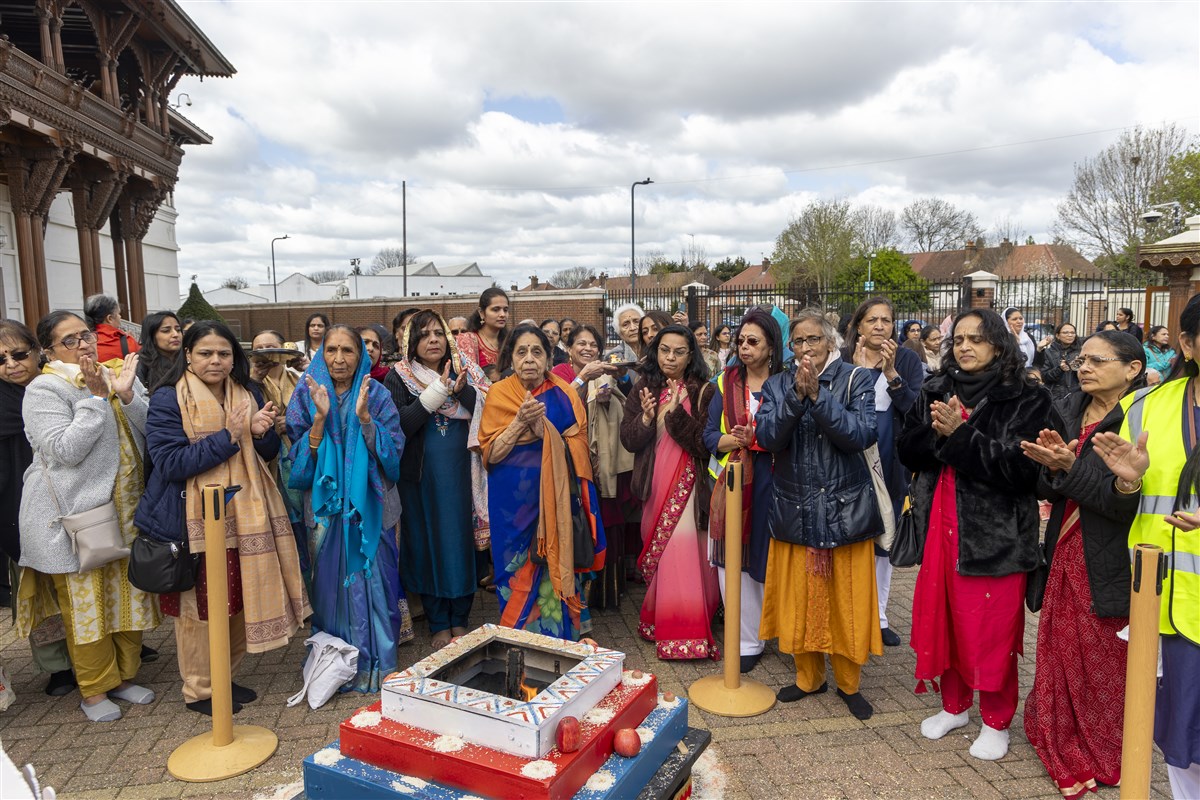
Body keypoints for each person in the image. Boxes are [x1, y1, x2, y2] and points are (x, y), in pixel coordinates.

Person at [899, 308, 1052, 761]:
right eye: (959, 339)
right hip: (940, 521)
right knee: (945, 617)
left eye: (977, 339)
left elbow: (1027, 471)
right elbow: (908, 451)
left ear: (1000, 346)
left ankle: (996, 720)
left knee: (991, 629)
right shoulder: (935, 386)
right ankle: (955, 706)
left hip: (996, 533)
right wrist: (935, 432)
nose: (965, 347)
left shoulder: (1027, 398)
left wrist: (962, 436)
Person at [138, 321, 309, 715]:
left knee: (238, 600)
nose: (215, 361)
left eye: (224, 353)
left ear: (235, 358)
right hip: (194, 520)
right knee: (200, 609)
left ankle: (223, 676)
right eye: (205, 353)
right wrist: (230, 436)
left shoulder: (245, 391)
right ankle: (199, 690)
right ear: (188, 357)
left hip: (248, 514)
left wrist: (262, 432)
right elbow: (169, 462)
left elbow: (261, 450)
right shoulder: (167, 398)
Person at [1020, 330, 1144, 798]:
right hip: (1064, 547)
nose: (1084, 366)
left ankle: (1104, 747)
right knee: (1061, 647)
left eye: (1097, 360)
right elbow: (1044, 489)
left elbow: (1119, 505)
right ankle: (1059, 728)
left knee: (1104, 657)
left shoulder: (1138, 418)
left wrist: (1068, 469)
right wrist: (1053, 467)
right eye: (1082, 359)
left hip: (1110, 553)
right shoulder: (1067, 408)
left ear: (1132, 369)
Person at [18, 311, 158, 722]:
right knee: (87, 607)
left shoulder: (116, 372)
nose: (84, 344)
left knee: (129, 598)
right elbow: (64, 450)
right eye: (70, 340)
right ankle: (94, 691)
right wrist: (97, 399)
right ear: (48, 351)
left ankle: (123, 677)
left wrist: (127, 395)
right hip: (79, 518)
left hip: (129, 509)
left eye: (86, 335)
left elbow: (152, 427)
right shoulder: (44, 388)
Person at [1092, 293, 1200, 800]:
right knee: (1180, 738)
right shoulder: (1143, 407)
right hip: (1169, 608)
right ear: (1187, 343)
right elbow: (1123, 505)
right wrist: (1127, 484)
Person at [756, 308, 882, 718]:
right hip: (796, 508)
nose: (805, 348)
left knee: (844, 600)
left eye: (813, 340)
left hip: (845, 510)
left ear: (831, 342)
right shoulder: (777, 384)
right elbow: (769, 437)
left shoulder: (855, 379)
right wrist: (795, 397)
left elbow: (860, 435)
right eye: (798, 342)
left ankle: (849, 684)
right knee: (801, 600)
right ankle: (809, 679)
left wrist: (818, 397)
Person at [288, 324, 412, 690]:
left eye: (348, 351)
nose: (339, 358)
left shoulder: (375, 394)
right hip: (327, 512)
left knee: (380, 583)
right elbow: (296, 463)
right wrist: (320, 420)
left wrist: (364, 419)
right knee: (329, 589)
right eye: (331, 350)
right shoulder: (307, 393)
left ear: (361, 355)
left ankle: (379, 662)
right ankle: (336, 664)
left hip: (372, 507)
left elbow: (394, 457)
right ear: (320, 353)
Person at [478, 324, 605, 641]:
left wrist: (544, 431)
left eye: (537, 352)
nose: (529, 359)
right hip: (512, 509)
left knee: (553, 569)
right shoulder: (499, 394)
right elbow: (491, 453)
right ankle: (521, 641)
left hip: (556, 505)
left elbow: (578, 451)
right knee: (517, 571)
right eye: (522, 352)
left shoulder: (564, 395)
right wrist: (521, 422)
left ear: (549, 359)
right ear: (511, 358)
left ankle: (560, 641)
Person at [386, 311, 490, 649]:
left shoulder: (468, 371)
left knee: (460, 543)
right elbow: (399, 424)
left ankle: (460, 619)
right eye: (424, 334)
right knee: (427, 544)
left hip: (463, 474)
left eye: (438, 333)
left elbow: (486, 412)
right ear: (411, 342)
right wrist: (437, 391)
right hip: (419, 478)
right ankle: (438, 622)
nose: (433, 339)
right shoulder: (398, 376)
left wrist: (459, 391)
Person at [620, 324, 718, 659]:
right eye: (664, 350)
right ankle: (659, 619)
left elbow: (703, 445)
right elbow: (629, 440)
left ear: (692, 355)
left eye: (679, 351)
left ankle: (686, 630)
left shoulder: (704, 391)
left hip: (689, 487)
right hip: (654, 488)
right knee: (662, 556)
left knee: (684, 553)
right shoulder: (643, 388)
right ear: (654, 351)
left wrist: (675, 413)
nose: (671, 357)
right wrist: (648, 419)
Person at [703, 308, 783, 674]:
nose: (745, 347)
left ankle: (781, 631)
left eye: (754, 342)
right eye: (741, 341)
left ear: (771, 347)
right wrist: (731, 440)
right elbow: (707, 436)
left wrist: (761, 440)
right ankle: (747, 639)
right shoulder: (725, 381)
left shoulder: (786, 381)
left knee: (774, 557)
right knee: (736, 559)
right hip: (735, 481)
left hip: (779, 478)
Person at [844, 297, 925, 648]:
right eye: (872, 319)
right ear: (859, 326)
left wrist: (892, 374)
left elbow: (916, 409)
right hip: (849, 455)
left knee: (884, 538)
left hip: (890, 456)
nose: (880, 326)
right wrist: (859, 370)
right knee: (849, 535)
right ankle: (847, 613)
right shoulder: (844, 357)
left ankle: (878, 616)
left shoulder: (907, 359)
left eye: (887, 320)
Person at [0, 321, 73, 696]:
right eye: (0, 359)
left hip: (73, 499)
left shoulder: (60, 383)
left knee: (85, 578)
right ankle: (58, 665)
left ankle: (104, 649)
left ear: (36, 350)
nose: (11, 364)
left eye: (18, 354)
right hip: (19, 506)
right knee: (41, 589)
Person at [552, 324, 630, 610]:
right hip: (568, 459)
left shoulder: (606, 373)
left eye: (593, 344)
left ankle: (603, 594)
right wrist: (583, 379)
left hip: (601, 458)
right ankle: (571, 592)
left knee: (604, 519)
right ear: (569, 349)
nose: (587, 349)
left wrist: (612, 394)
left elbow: (620, 410)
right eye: (580, 344)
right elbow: (558, 406)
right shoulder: (560, 374)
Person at [249, 330, 309, 572]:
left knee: (303, 532)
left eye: (271, 347)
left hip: (298, 462)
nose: (266, 352)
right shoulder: (245, 384)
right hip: (265, 467)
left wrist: (294, 424)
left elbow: (321, 417)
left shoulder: (300, 380)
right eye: (259, 348)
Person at [457, 288, 509, 382]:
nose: (502, 314)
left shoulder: (510, 341)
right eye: (496, 309)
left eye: (505, 310)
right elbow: (469, 379)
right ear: (482, 313)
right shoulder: (467, 340)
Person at [135, 311, 182, 392]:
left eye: (178, 330)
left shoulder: (189, 359)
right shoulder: (139, 363)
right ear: (152, 336)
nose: (175, 334)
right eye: (166, 331)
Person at [84, 294, 139, 361]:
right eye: (119, 314)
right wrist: (131, 341)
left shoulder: (83, 344)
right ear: (109, 318)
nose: (120, 317)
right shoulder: (128, 342)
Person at [1039, 323, 1082, 401]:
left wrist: (1076, 367)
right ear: (1057, 335)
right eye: (1065, 332)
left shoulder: (1080, 352)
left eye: (1073, 333)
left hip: (1075, 395)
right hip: (1054, 395)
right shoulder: (1049, 352)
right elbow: (1044, 377)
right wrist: (1060, 369)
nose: (1070, 335)